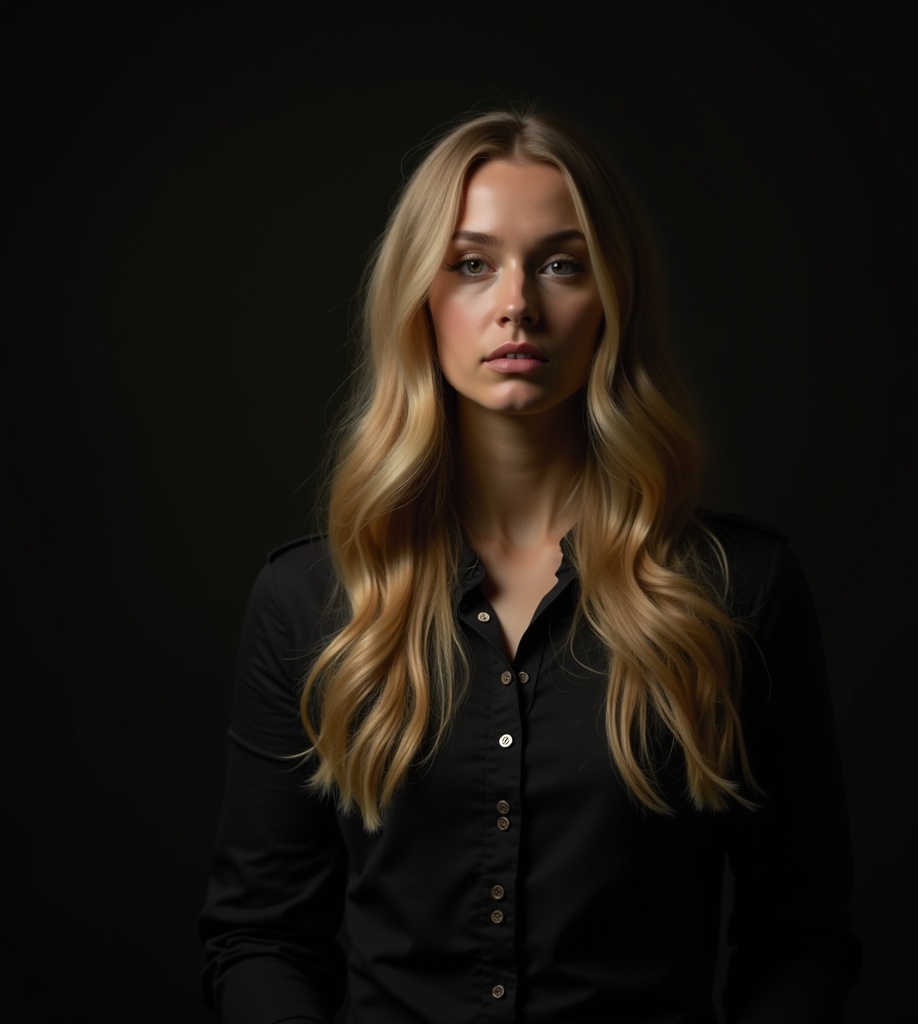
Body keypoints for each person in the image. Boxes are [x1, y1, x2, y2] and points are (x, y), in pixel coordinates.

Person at [199, 105, 860, 1024]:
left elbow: (802, 937)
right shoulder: (310, 600)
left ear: (612, 299)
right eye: (471, 264)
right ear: (420, 300)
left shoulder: (739, 589)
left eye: (560, 263)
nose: (518, 302)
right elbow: (262, 936)